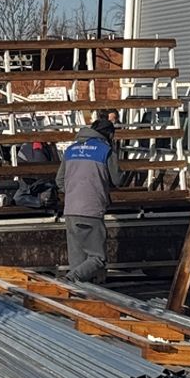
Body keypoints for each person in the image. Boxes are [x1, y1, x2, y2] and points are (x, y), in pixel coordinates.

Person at [54, 118, 120, 283]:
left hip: (70, 209)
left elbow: (59, 180)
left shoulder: (71, 150)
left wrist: (74, 192)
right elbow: (117, 180)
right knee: (98, 258)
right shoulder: (106, 150)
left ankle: (76, 289)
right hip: (92, 209)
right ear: (110, 135)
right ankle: (70, 279)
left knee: (77, 261)